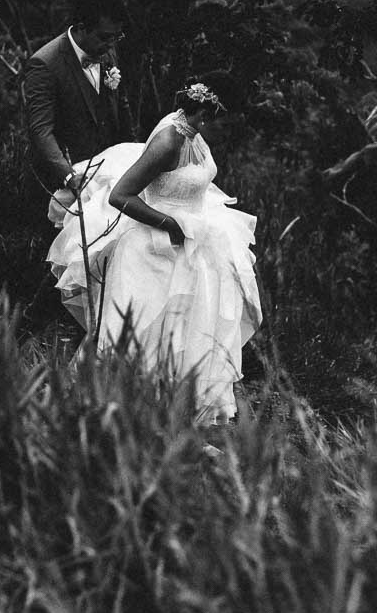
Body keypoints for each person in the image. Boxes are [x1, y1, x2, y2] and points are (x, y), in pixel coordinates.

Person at [45, 78, 262, 423]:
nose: (229, 135)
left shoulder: (195, 133)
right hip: (154, 249)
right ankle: (117, 418)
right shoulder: (167, 141)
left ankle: (175, 420)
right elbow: (120, 196)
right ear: (204, 116)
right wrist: (169, 224)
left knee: (188, 335)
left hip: (195, 243)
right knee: (144, 337)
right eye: (226, 125)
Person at [22, 0, 133, 197]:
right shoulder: (44, 64)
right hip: (65, 184)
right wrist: (68, 176)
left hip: (110, 175)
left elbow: (121, 105)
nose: (111, 45)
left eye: (116, 37)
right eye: (105, 37)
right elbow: (41, 130)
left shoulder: (106, 49)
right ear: (82, 27)